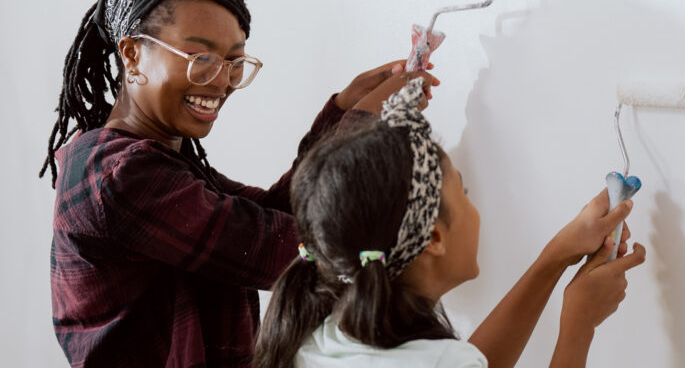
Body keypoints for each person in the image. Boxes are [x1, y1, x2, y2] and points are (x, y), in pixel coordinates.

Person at [40, 0, 438, 367]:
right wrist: (360, 128)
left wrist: (342, 113)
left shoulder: (152, 165)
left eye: (234, 62)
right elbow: (285, 251)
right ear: (133, 55)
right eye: (202, 58)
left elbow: (270, 218)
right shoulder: (119, 176)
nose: (221, 81)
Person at [254, 81, 647, 368]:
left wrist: (554, 259)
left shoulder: (320, 333)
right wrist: (579, 324)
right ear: (436, 237)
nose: (475, 206)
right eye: (466, 192)